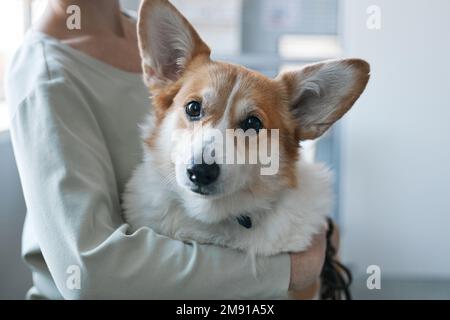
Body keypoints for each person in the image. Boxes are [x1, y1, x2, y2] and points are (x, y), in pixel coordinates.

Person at [6, 0, 327, 299]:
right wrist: (288, 270)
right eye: (194, 109)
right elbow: (91, 270)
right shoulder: (46, 73)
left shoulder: (156, 36)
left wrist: (305, 220)